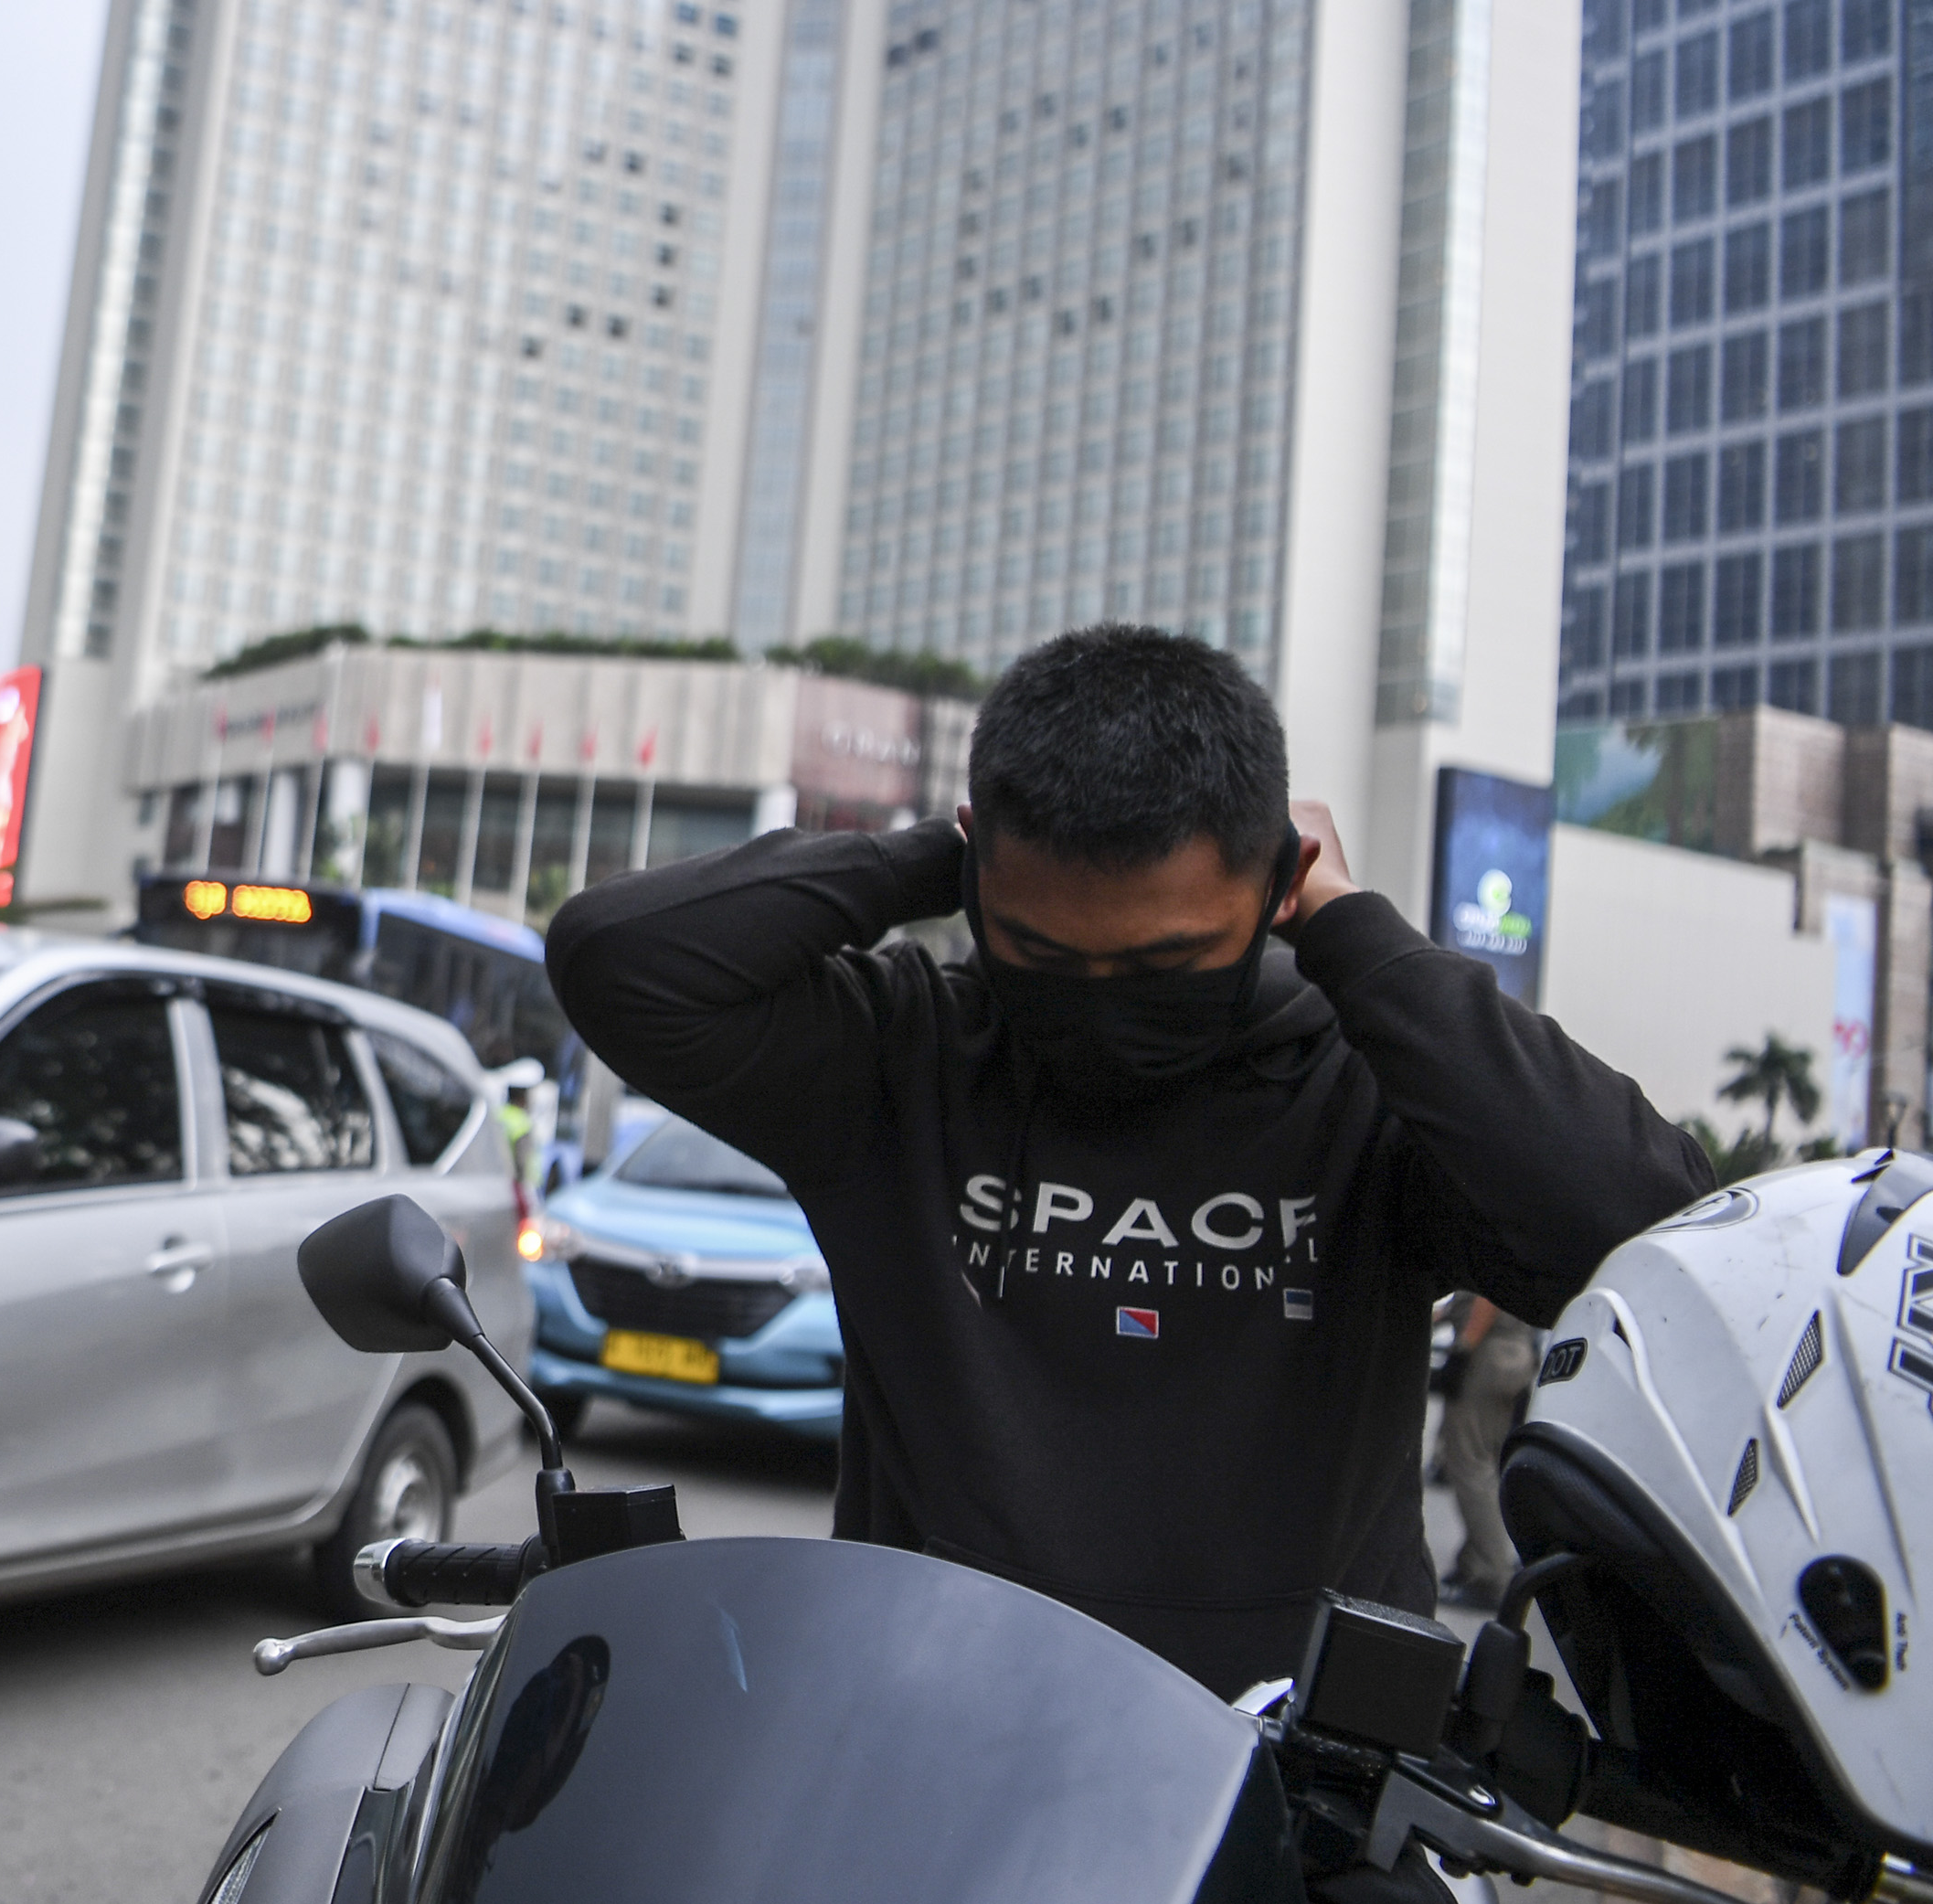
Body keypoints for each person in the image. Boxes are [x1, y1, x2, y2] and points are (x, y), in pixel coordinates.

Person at [544, 623, 1705, 1697]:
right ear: (976, 883)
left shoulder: (1366, 1087)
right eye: (1039, 950)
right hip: (921, 1728)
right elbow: (619, 958)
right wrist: (924, 857)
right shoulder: (899, 1061)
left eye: (1166, 963)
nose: (1101, 1006)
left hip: (1294, 1779)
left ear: (1271, 890)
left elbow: (1644, 1228)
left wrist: (1353, 925)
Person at [1429, 1293, 1540, 1609]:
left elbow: (1486, 1298)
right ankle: (1474, 1562)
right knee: (1485, 1463)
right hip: (1509, 1353)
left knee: (1470, 1465)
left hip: (1488, 1354)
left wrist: (1463, 1349)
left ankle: (1491, 1574)